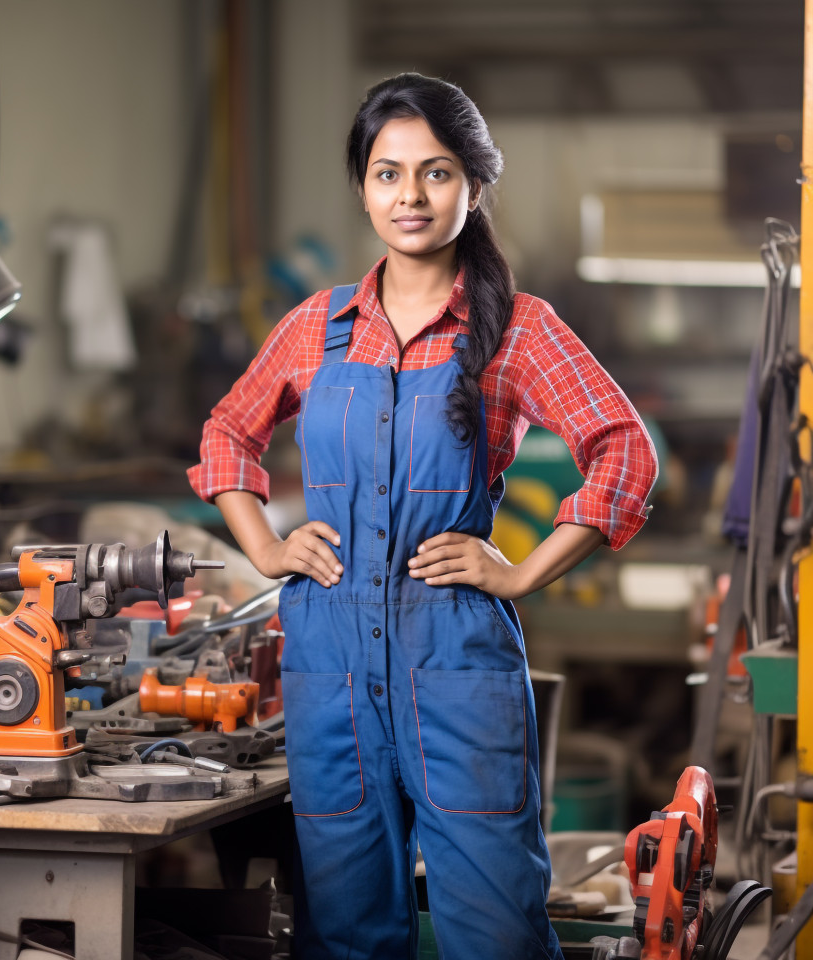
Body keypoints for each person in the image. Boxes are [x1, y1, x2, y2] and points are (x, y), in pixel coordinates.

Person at [188, 72, 658, 960]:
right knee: (348, 929)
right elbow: (226, 433)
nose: (409, 196)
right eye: (386, 173)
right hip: (328, 665)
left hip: (454, 662)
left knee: (492, 929)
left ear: (474, 186)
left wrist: (518, 573)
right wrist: (263, 546)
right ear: (363, 186)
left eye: (435, 173)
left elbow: (626, 452)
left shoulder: (517, 328)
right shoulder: (316, 329)